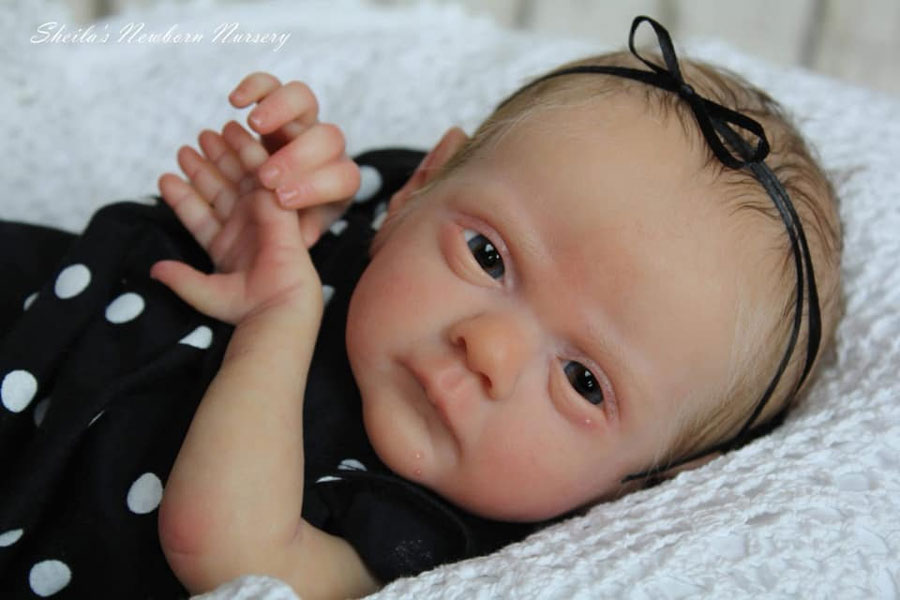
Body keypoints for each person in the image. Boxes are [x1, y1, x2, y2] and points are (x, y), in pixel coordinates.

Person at [0, 17, 841, 599]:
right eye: (488, 256)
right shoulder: (398, 220)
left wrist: (279, 319)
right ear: (425, 185)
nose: (490, 352)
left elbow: (227, 555)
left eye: (584, 381)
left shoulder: (424, 535)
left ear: (647, 481)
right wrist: (289, 190)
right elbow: (294, 220)